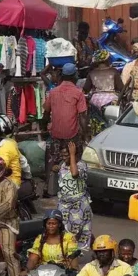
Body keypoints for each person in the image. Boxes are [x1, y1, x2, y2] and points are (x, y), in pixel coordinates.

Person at [44, 62, 88, 194]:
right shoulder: (78, 93)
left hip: (55, 134)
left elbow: (46, 113)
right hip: (72, 135)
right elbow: (82, 117)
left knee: (52, 161)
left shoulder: (53, 92)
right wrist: (85, 134)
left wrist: (46, 127)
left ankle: (48, 188)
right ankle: (74, 187)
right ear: (74, 76)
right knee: (74, 160)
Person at [56, 141, 92, 251]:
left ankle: (76, 252)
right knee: (63, 228)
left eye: (66, 155)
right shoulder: (63, 165)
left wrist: (72, 154)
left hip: (79, 203)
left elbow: (74, 174)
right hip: (64, 203)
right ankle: (66, 251)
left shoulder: (81, 165)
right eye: (62, 155)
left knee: (78, 230)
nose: (64, 158)